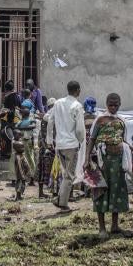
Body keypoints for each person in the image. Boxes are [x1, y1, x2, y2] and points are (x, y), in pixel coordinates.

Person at [83, 93, 131, 239]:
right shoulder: (100, 120)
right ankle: (102, 228)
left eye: (116, 105)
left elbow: (124, 140)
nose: (113, 107)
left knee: (117, 191)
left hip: (118, 162)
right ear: (106, 104)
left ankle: (115, 225)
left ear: (120, 104)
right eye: (111, 104)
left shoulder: (122, 121)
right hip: (103, 162)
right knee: (101, 191)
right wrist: (86, 159)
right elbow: (91, 140)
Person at [46, 81, 86, 212]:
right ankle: (62, 202)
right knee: (69, 175)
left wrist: (49, 139)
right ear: (78, 90)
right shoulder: (77, 106)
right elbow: (80, 130)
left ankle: (60, 199)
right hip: (71, 144)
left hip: (60, 145)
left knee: (66, 173)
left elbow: (49, 120)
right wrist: (81, 141)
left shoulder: (57, 103)